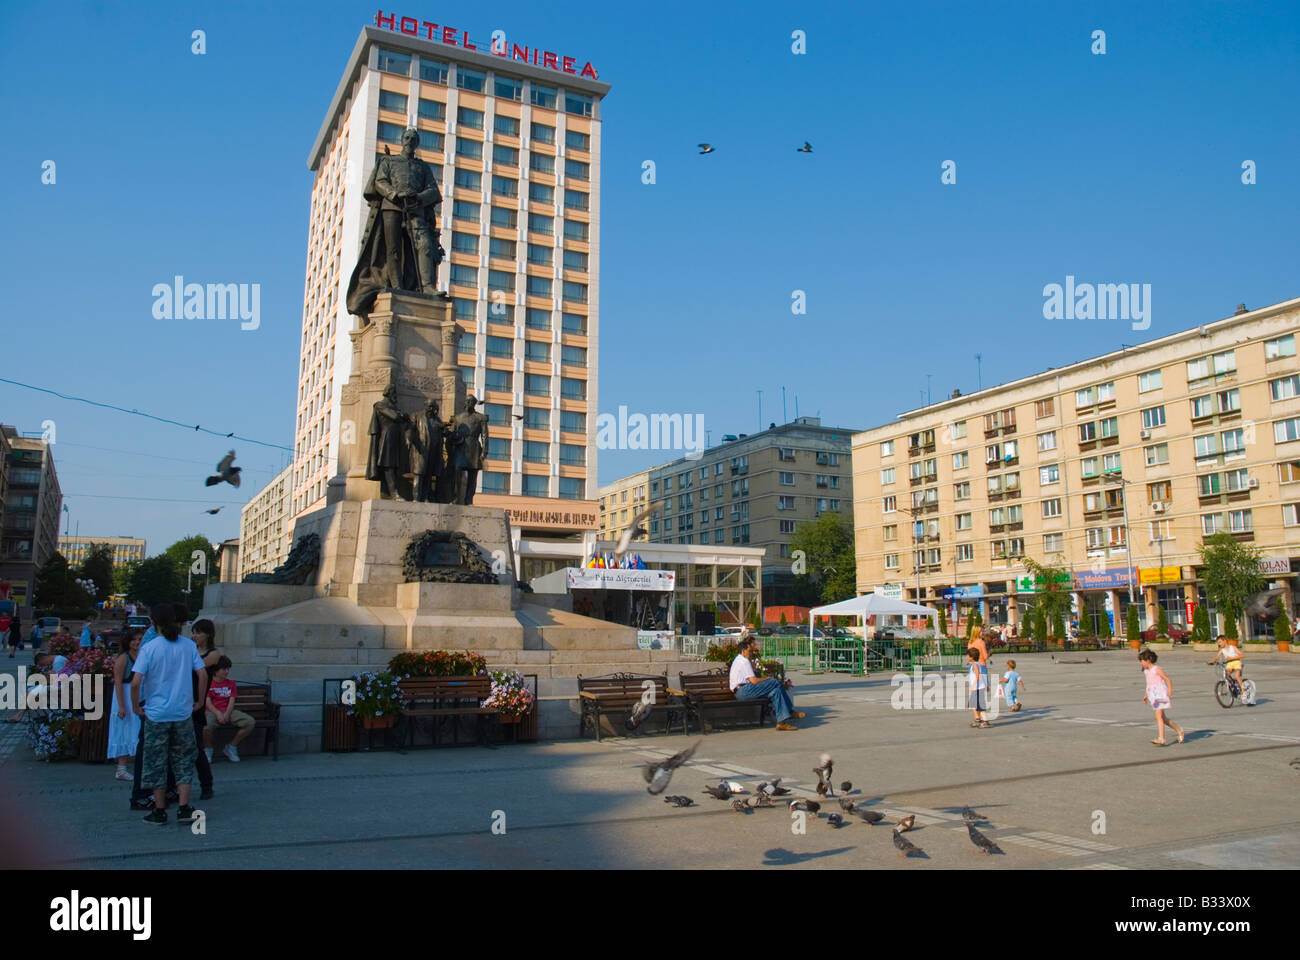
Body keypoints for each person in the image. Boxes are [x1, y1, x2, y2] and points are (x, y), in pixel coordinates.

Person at [130, 604, 208, 825]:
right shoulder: (188, 646)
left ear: (156, 624)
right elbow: (202, 674)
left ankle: (159, 810)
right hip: (183, 713)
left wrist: (136, 706)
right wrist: (199, 701)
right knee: (183, 760)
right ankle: (184, 808)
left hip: (156, 714)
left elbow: (136, 682)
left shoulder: (150, 647)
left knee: (156, 762)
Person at [729, 636, 803, 731]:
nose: (750, 653)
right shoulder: (744, 661)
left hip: (741, 691)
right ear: (743, 651)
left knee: (776, 692)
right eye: (749, 651)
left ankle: (781, 723)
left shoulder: (738, 660)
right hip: (744, 691)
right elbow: (754, 681)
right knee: (774, 682)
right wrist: (767, 678)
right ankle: (791, 711)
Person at [107, 629, 143, 780]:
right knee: (124, 730)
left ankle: (133, 766)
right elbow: (118, 682)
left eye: (139, 639)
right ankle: (121, 768)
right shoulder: (123, 658)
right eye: (133, 640)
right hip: (124, 696)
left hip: (137, 694)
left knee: (135, 729)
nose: (137, 642)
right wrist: (121, 705)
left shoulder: (141, 655)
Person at [204, 657, 253, 762]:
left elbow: (232, 701)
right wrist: (218, 713)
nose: (227, 672)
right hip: (211, 712)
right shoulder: (208, 683)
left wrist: (226, 714)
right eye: (224, 669)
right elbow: (207, 702)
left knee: (249, 722)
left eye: (228, 669)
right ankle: (207, 748)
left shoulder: (231, 683)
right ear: (216, 671)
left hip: (228, 711)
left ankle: (231, 747)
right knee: (205, 727)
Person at [1139, 648, 1184, 746]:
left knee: (1158, 716)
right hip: (1153, 694)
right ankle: (1179, 730)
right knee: (1163, 719)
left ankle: (1161, 738)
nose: (1141, 663)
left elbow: (1167, 679)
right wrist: (1146, 695)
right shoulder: (1146, 671)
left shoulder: (1157, 669)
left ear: (1148, 660)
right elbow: (1149, 683)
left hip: (1160, 694)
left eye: (1141, 661)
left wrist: (1170, 690)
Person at [967, 646, 991, 728]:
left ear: (972, 657)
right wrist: (986, 685)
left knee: (980, 706)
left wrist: (972, 686)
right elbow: (982, 676)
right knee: (973, 704)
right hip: (978, 688)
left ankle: (986, 721)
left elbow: (977, 676)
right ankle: (977, 719)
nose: (967, 657)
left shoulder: (975, 665)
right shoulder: (976, 664)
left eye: (968, 655)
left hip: (977, 689)